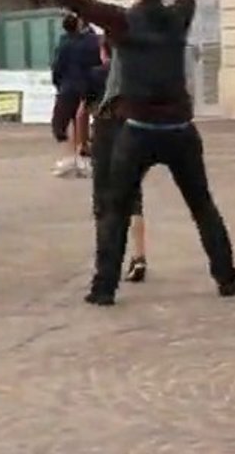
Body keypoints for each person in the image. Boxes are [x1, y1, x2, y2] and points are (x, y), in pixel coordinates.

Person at [13, 0, 235, 306]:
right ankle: (226, 276)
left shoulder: (122, 21)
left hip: (139, 130)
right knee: (201, 204)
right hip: (181, 129)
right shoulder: (175, 19)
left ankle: (104, 288)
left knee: (115, 208)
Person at [91, 36, 148, 283]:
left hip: (105, 136)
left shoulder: (95, 75)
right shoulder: (138, 76)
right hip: (132, 135)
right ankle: (139, 255)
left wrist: (81, 142)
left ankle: (105, 260)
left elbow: (83, 110)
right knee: (134, 199)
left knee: (103, 202)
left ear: (104, 53)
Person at [50, 12, 101, 178]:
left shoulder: (64, 43)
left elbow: (57, 66)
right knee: (83, 121)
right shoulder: (93, 41)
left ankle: (72, 158)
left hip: (69, 88)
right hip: (89, 86)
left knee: (64, 124)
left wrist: (58, 83)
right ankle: (83, 157)